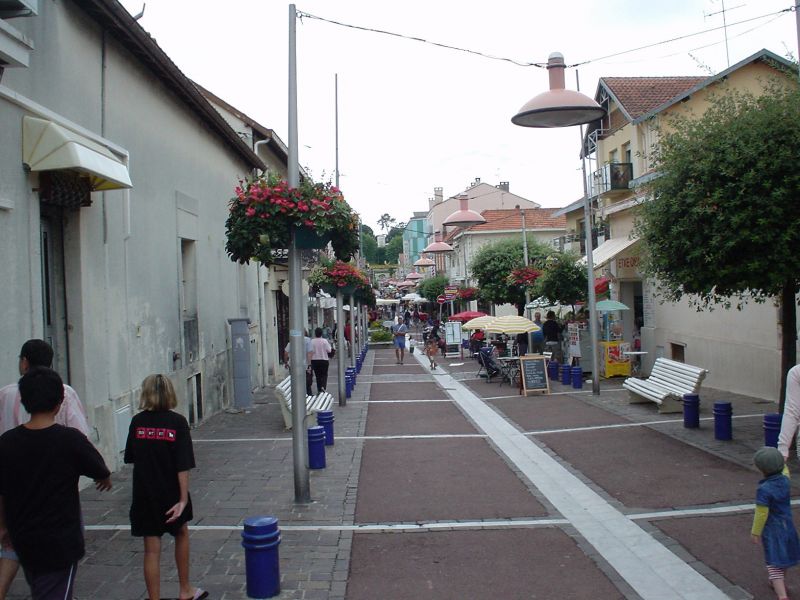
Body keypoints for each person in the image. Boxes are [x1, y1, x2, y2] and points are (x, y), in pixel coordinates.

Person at [0, 366, 112, 600]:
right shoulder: (69, 440)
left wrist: (3, 526)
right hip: (59, 544)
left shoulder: (7, 443)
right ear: (59, 404)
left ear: (24, 401)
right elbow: (99, 468)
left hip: (24, 538)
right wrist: (103, 478)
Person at [124, 374, 206, 600]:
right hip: (170, 491)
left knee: (151, 548)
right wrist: (182, 500)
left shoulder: (137, 422)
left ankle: (154, 598)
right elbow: (183, 464)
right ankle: (185, 589)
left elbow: (130, 457)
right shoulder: (177, 423)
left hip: (144, 493)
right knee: (181, 533)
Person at [751, 446, 800, 600]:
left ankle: (782, 595)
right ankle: (777, 582)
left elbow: (761, 513)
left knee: (773, 563)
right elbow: (784, 469)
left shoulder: (764, 489)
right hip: (788, 525)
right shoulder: (785, 480)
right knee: (783, 559)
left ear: (762, 469)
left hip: (773, 530)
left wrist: (755, 531)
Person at [777, 365, 800, 462]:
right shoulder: (796, 372)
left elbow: (791, 412)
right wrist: (782, 449)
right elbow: (791, 412)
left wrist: (782, 449)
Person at [284, 331, 313, 397]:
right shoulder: (308, 340)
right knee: (306, 383)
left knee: (295, 382)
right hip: (304, 365)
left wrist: (286, 362)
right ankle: (308, 396)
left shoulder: (292, 341)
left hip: (293, 365)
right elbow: (309, 353)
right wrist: (309, 365)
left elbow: (285, 353)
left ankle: (297, 396)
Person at [309, 327, 332, 394]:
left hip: (314, 360)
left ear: (315, 333)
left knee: (318, 375)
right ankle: (323, 387)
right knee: (324, 374)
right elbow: (329, 350)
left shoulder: (312, 341)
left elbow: (310, 351)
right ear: (321, 333)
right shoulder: (324, 341)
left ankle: (319, 389)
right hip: (324, 360)